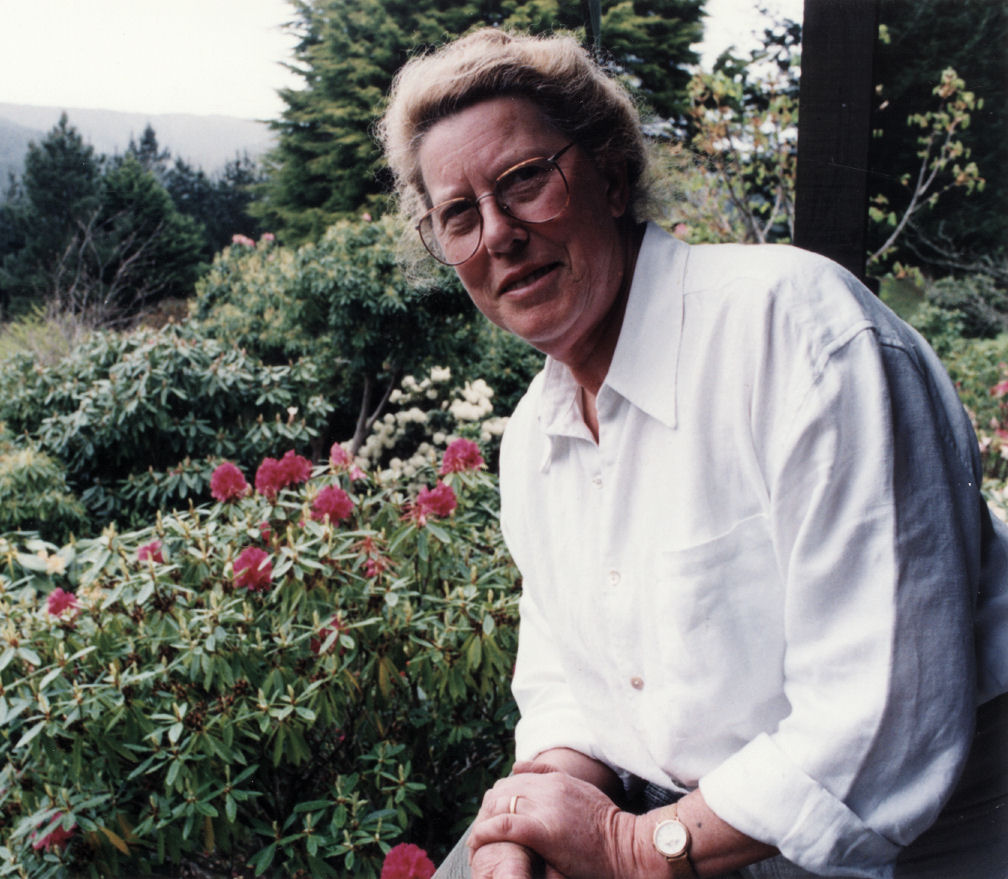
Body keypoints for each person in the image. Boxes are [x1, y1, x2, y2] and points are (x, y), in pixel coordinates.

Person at [377, 27, 1008, 879]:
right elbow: (568, 681)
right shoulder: (535, 435)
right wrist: (532, 822)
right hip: (690, 827)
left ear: (609, 169)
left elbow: (883, 718)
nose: (498, 234)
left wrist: (626, 846)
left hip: (914, 829)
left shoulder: (797, 335)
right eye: (459, 215)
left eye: (525, 180)